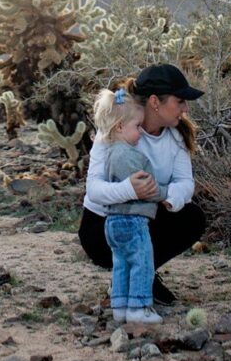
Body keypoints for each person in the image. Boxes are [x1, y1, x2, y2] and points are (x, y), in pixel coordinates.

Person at [78, 63, 207, 304]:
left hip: (145, 217)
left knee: (192, 217)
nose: (186, 108)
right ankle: (134, 277)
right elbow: (94, 190)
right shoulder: (114, 131)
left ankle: (139, 276)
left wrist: (159, 194)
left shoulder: (176, 137)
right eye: (180, 101)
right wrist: (130, 189)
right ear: (156, 102)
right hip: (102, 228)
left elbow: (185, 185)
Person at [92, 86, 163, 325]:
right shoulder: (129, 155)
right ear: (120, 127)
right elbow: (147, 187)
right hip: (133, 219)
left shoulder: (111, 152)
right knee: (142, 261)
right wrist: (162, 193)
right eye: (137, 126)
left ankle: (120, 305)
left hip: (112, 221)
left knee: (121, 263)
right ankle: (139, 306)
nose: (140, 132)